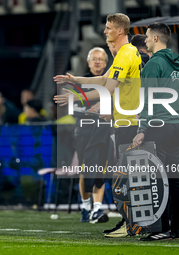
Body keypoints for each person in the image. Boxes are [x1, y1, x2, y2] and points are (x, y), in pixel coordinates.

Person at [54, 13, 142, 238]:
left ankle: (130, 222)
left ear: (119, 31)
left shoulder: (125, 54)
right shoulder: (125, 54)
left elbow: (107, 89)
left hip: (127, 123)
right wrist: (77, 80)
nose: (105, 31)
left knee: (125, 176)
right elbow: (104, 80)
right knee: (117, 173)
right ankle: (121, 218)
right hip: (120, 122)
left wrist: (76, 99)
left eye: (108, 28)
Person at [133, 22, 179, 241]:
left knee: (157, 179)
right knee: (174, 179)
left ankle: (162, 229)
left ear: (155, 39)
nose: (144, 40)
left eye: (146, 37)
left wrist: (142, 128)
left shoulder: (154, 64)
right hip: (176, 124)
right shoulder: (176, 63)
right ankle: (176, 228)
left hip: (159, 126)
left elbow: (147, 99)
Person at [72, 47, 110, 223]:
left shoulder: (111, 82)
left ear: (106, 63)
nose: (97, 62)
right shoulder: (80, 82)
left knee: (100, 169)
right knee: (85, 169)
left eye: (100, 59)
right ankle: (86, 206)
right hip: (85, 131)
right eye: (94, 59)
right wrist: (93, 110)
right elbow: (73, 109)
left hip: (103, 131)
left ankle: (97, 208)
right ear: (88, 62)